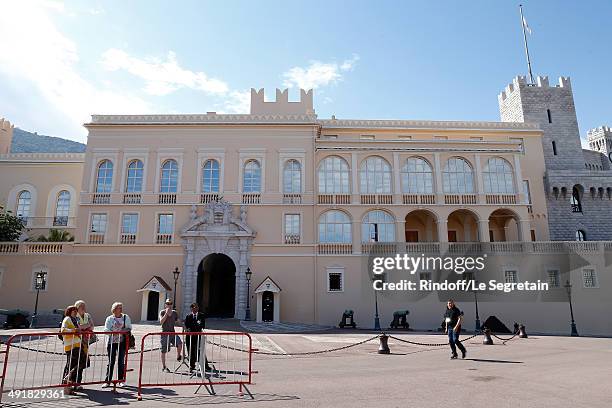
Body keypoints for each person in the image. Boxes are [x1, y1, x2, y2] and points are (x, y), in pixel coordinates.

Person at [103, 302, 131, 388]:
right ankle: (107, 381)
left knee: (121, 362)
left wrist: (122, 331)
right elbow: (106, 330)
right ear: (114, 309)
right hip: (111, 342)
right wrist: (114, 332)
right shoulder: (109, 318)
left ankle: (121, 380)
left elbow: (129, 327)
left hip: (122, 342)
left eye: (121, 307)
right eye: (119, 307)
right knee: (111, 362)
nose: (121, 309)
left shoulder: (126, 317)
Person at [61, 305, 87, 394]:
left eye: (76, 311)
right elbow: (63, 330)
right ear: (69, 311)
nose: (76, 312)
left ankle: (69, 381)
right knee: (73, 364)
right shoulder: (67, 319)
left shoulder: (75, 320)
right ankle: (67, 385)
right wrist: (73, 330)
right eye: (74, 311)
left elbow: (79, 329)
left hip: (77, 344)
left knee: (80, 362)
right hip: (70, 345)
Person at [183, 303, 210, 372]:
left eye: (196, 307)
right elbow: (185, 326)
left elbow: (203, 325)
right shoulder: (188, 316)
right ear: (191, 309)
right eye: (194, 307)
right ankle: (192, 366)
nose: (195, 309)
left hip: (198, 336)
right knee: (191, 352)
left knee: (200, 351)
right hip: (190, 337)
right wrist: (187, 329)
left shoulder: (201, 315)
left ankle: (205, 365)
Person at [159, 299, 183, 373]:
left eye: (170, 303)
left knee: (180, 343)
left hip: (172, 333)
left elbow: (178, 321)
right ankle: (164, 366)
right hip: (165, 334)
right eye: (167, 303)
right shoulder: (162, 312)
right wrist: (166, 313)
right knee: (164, 351)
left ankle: (178, 356)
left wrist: (184, 326)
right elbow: (161, 322)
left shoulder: (174, 313)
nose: (169, 305)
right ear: (165, 304)